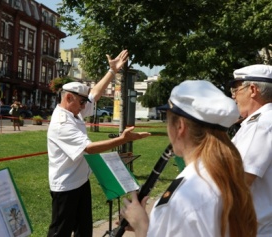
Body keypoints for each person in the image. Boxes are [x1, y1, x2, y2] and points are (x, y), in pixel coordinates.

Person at [120, 80, 257, 237]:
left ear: (180, 126)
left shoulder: (187, 198)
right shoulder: (223, 176)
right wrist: (156, 227)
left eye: (167, 119)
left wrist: (142, 227)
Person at [47, 49, 151, 237]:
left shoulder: (74, 110)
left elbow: (95, 93)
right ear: (68, 98)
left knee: (84, 230)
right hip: (65, 185)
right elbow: (89, 148)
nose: (85, 106)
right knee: (60, 231)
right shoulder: (61, 122)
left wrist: (112, 71)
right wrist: (123, 139)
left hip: (79, 181)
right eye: (81, 102)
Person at [230, 64, 272, 236]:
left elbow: (239, 180)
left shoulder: (261, 125)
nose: (234, 97)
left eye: (236, 90)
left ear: (253, 89)